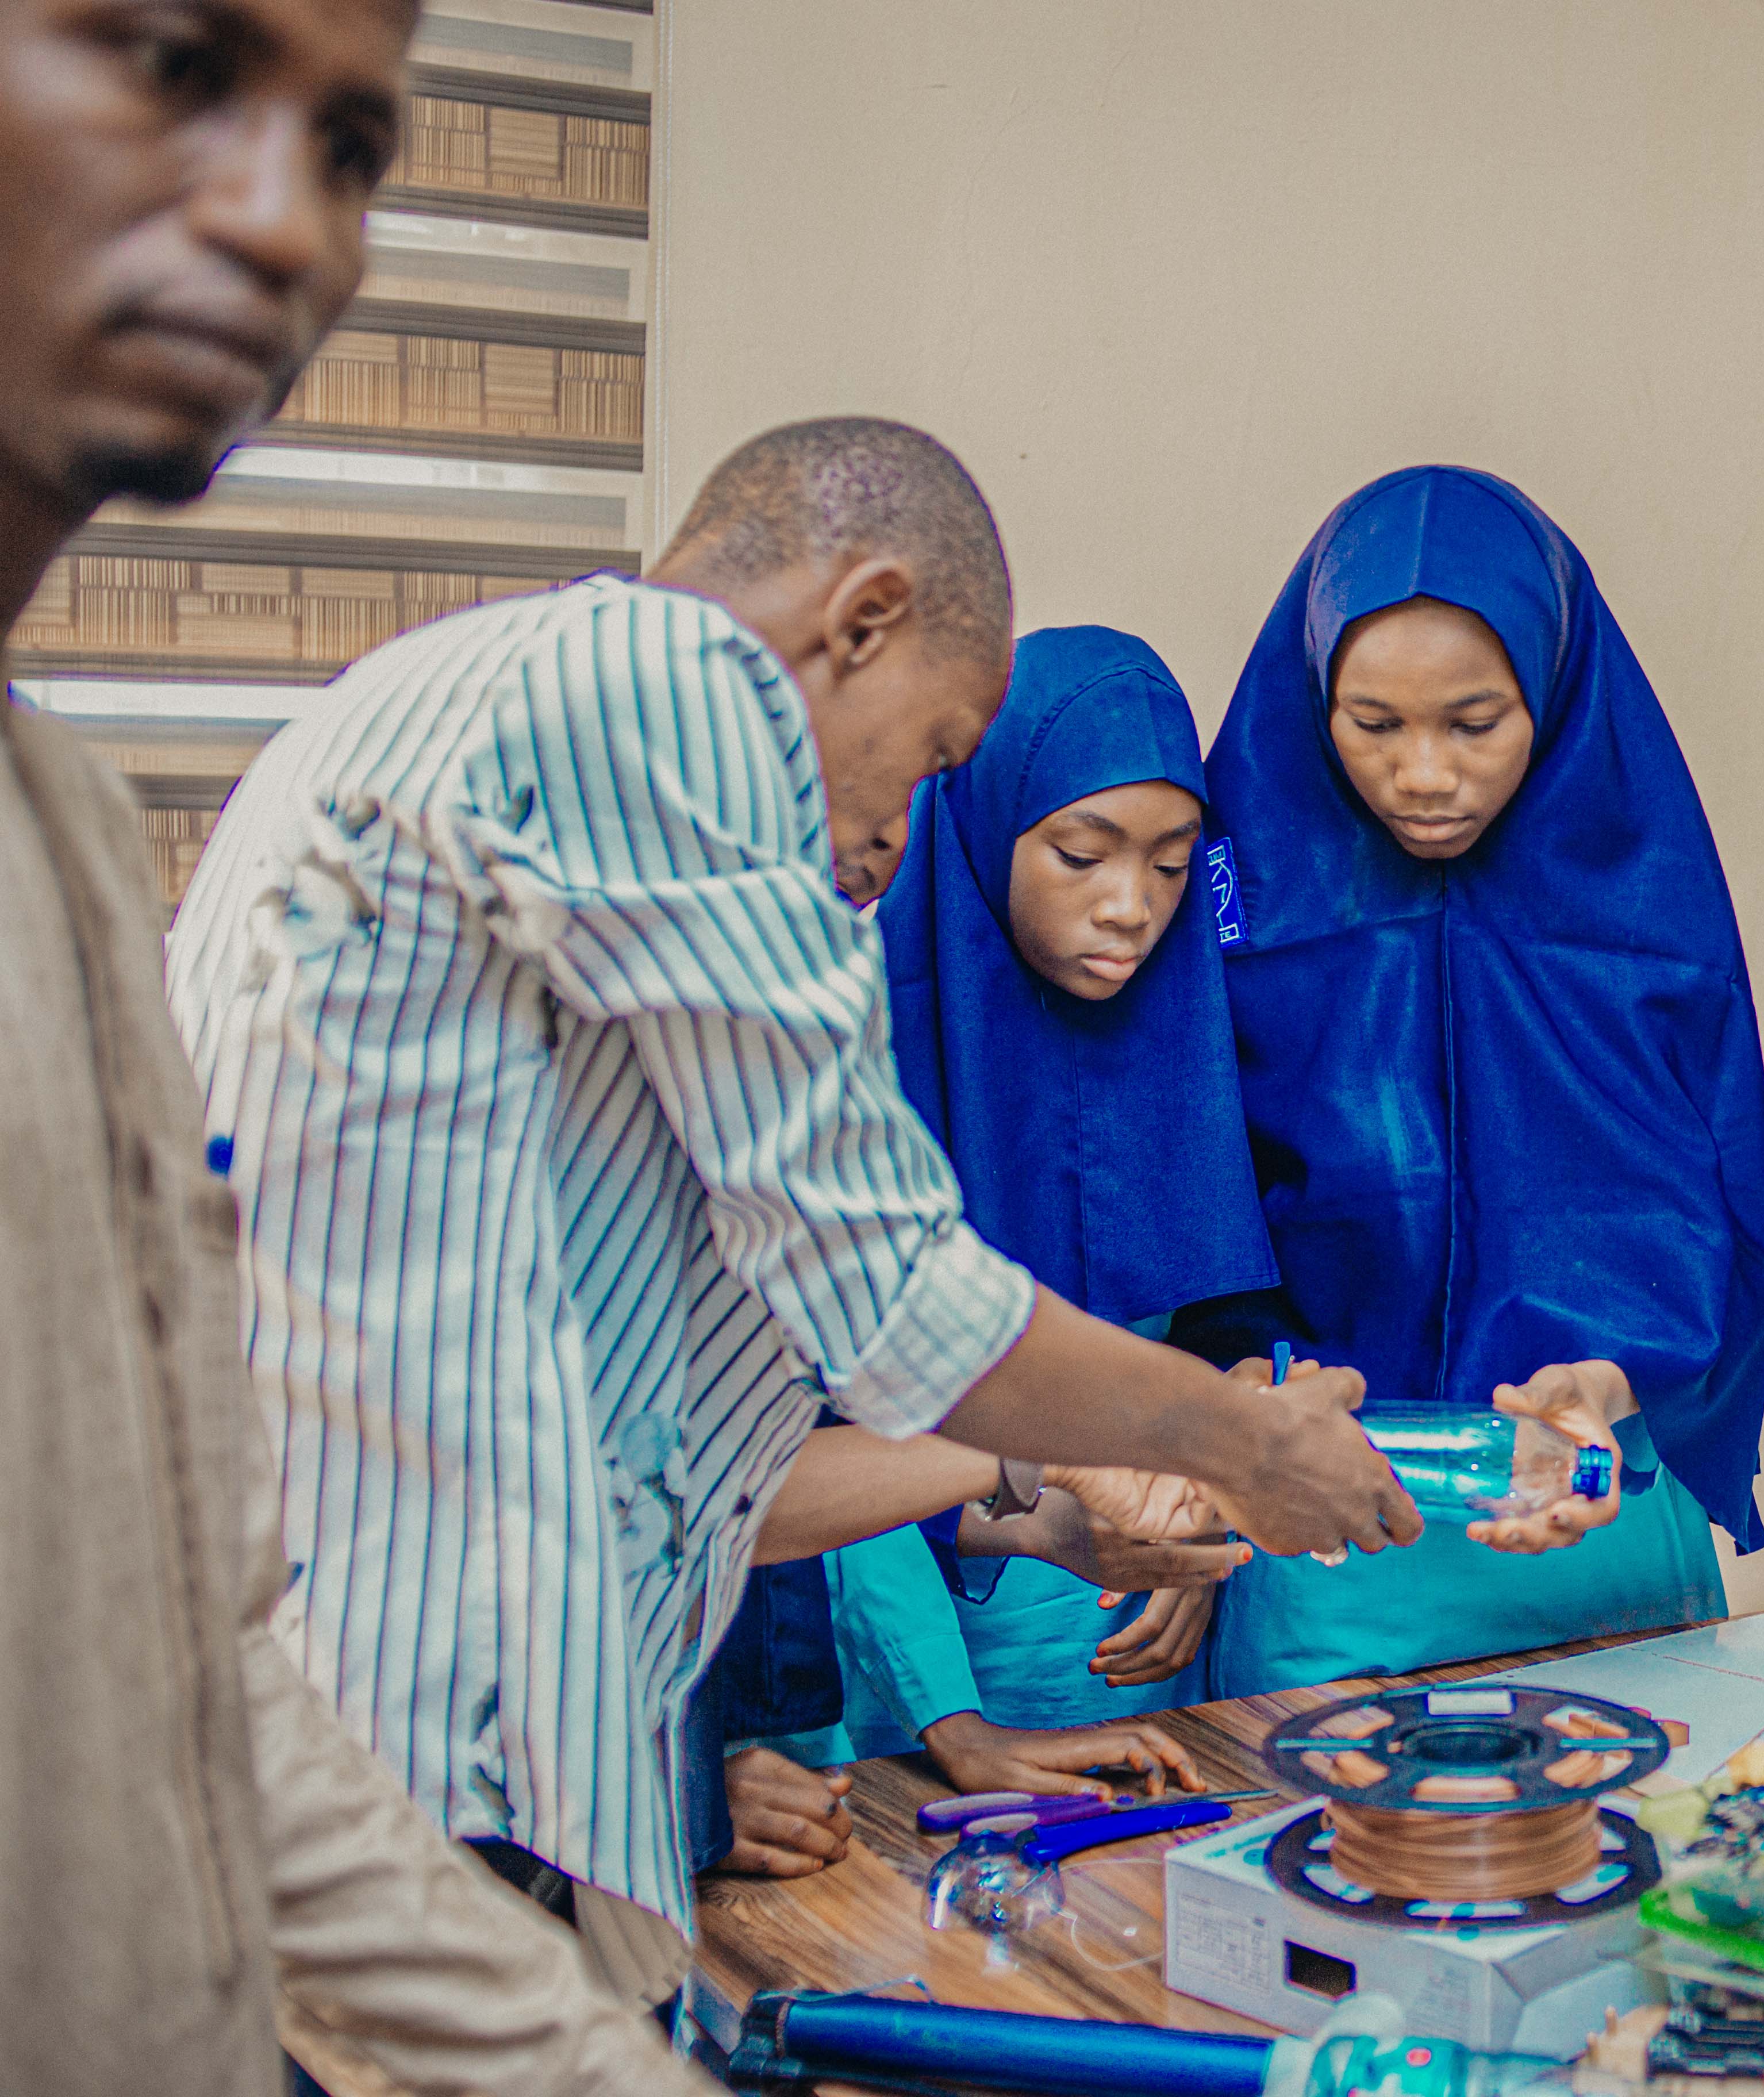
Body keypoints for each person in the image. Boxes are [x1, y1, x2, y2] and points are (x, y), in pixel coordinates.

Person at [164, 418, 1418, 2008]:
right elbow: (896, 1302)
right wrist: (1240, 1443)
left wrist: (1033, 1487)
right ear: (862, 619)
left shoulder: (427, 709)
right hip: (431, 1750)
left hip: (346, 1719)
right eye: (932, 754)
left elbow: (691, 1470)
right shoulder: (668, 702)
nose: (902, 830)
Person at [0, 0, 718, 2087]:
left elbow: (189, 1677)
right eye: (172, 63)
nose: (284, 223)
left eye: (352, 148)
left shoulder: (65, 837)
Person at [1179, 464, 1764, 1691]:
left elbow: (1714, 1197)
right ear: (1314, 699)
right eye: (1373, 724)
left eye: (1474, 723)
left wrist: (1606, 1377)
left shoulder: (1647, 907)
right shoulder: (1236, 901)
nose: (1424, 774)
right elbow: (1193, 1199)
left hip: (1592, 1499)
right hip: (1330, 1531)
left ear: (1552, 694)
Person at [821, 624, 1273, 1783]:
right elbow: (814, 1436)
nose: (1133, 906)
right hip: (912, 1686)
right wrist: (956, 1729)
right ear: (985, 829)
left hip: (1142, 1662)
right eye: (1083, 854)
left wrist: (1199, 1538)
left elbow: (1217, 1338)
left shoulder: (1190, 1034)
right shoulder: (853, 1059)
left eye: (1172, 865)